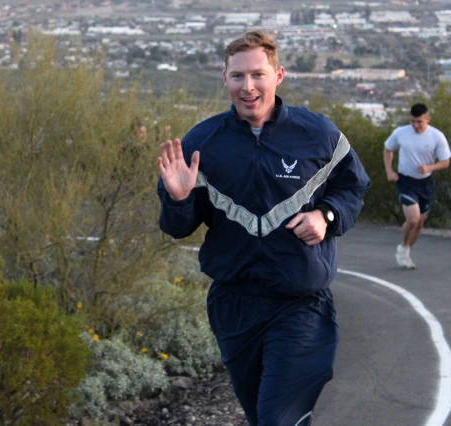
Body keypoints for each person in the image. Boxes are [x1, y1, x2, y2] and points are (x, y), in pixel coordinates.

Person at [156, 30, 370, 426]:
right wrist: (180, 199)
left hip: (301, 303)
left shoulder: (317, 134)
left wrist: (326, 216)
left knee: (278, 419)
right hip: (233, 305)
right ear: (225, 79)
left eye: (258, 74)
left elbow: (353, 186)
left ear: (278, 75)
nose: (248, 86)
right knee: (261, 417)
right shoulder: (202, 143)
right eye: (237, 76)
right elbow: (177, 227)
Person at [383, 103, 450, 269]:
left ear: (427, 119)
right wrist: (389, 171)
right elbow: (387, 149)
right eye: (412, 121)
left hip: (426, 183)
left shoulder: (437, 136)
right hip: (405, 181)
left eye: (419, 121)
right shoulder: (400, 133)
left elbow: (445, 162)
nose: (415, 125)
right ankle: (404, 246)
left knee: (419, 223)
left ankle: (405, 250)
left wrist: (429, 168)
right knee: (412, 218)